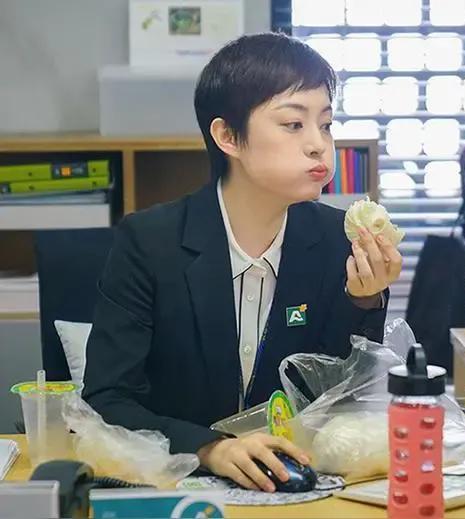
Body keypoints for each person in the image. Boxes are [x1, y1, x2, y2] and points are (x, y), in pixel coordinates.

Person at [82, 32, 402, 492]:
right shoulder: (150, 242)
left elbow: (343, 403)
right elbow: (108, 400)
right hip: (176, 489)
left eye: (326, 124)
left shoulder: (338, 240)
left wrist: (364, 299)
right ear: (228, 136)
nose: (319, 145)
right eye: (293, 124)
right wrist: (210, 448)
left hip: (298, 486)